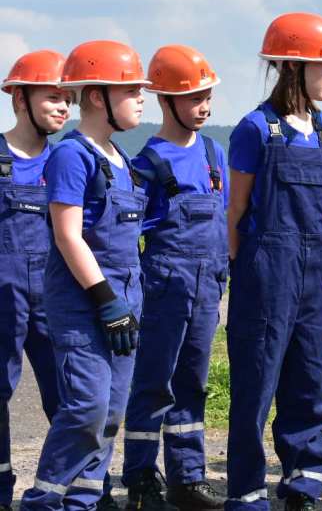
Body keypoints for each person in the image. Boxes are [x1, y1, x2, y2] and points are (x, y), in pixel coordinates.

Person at [20, 41, 149, 511]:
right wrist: (105, 299)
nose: (141, 99)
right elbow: (67, 235)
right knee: (87, 408)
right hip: (84, 303)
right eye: (131, 90)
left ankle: (83, 502)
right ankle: (43, 501)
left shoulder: (121, 158)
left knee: (112, 410)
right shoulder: (72, 155)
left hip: (124, 299)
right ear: (97, 96)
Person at [225, 13, 322, 511]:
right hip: (267, 272)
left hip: (316, 273)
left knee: (312, 381)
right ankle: (247, 491)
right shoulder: (255, 129)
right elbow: (235, 211)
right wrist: (247, 272)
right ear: (294, 66)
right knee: (256, 383)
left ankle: (304, 481)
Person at [121, 46, 228, 511]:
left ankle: (188, 477)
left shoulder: (213, 153)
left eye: (207, 97)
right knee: (152, 383)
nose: (204, 107)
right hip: (164, 288)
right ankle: (141, 477)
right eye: (194, 98)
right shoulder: (147, 165)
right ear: (165, 100)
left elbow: (227, 219)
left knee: (193, 382)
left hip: (207, 288)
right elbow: (128, 236)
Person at [0, 51, 71, 511]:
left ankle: (74, 489)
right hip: (2, 295)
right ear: (20, 99)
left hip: (56, 297)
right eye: (52, 97)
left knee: (71, 396)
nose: (63, 107)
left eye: (68, 99)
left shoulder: (68, 161)